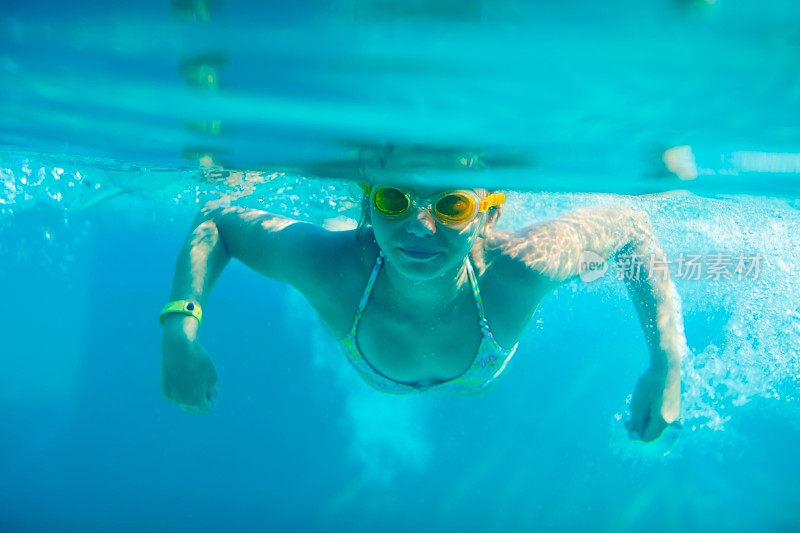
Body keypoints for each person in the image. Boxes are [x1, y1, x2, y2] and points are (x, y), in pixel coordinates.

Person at [159, 149, 685, 442]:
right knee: (340, 237)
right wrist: (180, 338)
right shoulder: (330, 268)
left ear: (488, 215)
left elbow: (634, 224)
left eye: (451, 206)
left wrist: (666, 366)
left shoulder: (519, 266)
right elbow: (217, 220)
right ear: (373, 204)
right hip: (373, 301)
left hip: (470, 361)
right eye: (394, 199)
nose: (420, 225)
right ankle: (352, 218)